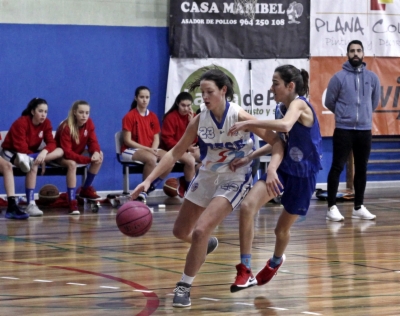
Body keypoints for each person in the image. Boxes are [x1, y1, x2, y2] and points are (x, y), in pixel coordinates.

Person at [131, 68, 283, 307]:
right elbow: (174, 153)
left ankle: (184, 285)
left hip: (235, 177)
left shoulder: (240, 116)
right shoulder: (200, 119)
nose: (205, 97)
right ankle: (205, 245)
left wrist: (266, 166)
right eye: (202, 93)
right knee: (181, 232)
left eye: (209, 91)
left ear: (224, 91)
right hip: (207, 174)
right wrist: (149, 181)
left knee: (201, 230)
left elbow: (277, 142)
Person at [227, 65, 322, 293]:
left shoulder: (299, 104)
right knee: (248, 206)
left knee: (280, 230)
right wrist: (251, 156)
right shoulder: (281, 108)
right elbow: (280, 141)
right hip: (283, 169)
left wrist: (250, 123)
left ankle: (276, 260)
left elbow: (286, 125)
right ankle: (245, 269)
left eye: (275, 83)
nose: (271, 88)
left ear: (290, 86)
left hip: (303, 175)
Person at [325, 40, 380, 222]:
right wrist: (344, 115)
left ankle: (358, 206)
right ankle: (331, 207)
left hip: (364, 130)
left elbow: (374, 101)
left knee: (362, 168)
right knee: (337, 167)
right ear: (347, 54)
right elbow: (329, 102)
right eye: (352, 51)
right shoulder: (338, 78)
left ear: (363, 54)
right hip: (343, 129)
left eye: (358, 50)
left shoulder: (372, 78)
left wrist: (363, 116)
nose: (355, 53)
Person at [0, 97, 64, 216]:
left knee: (58, 151)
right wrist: (39, 158)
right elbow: (22, 148)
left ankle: (30, 204)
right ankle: (26, 203)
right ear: (33, 111)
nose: (43, 114)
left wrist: (44, 153)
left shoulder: (46, 123)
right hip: (11, 152)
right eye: (40, 111)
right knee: (31, 163)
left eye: (45, 112)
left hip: (31, 154)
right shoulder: (21, 123)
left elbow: (52, 143)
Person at [121, 86, 172, 201]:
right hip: (131, 149)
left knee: (171, 158)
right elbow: (127, 141)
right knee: (151, 159)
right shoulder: (129, 116)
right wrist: (149, 150)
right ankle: (144, 191)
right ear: (136, 98)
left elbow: (156, 138)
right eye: (142, 97)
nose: (144, 100)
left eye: (147, 97)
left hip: (149, 149)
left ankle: (151, 186)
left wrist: (153, 149)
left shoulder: (153, 116)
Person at [55, 100, 103, 215]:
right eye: (81, 112)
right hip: (60, 155)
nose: (84, 116)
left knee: (100, 154)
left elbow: (93, 141)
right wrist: (87, 160)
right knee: (71, 164)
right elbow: (67, 153)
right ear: (75, 112)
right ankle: (72, 201)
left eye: (87, 113)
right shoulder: (66, 127)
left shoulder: (89, 123)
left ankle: (85, 189)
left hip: (76, 154)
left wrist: (95, 152)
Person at [161, 92, 200, 197]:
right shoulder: (170, 117)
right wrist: (186, 148)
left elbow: (196, 139)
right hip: (172, 149)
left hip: (187, 149)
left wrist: (192, 123)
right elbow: (167, 140)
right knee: (190, 161)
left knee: (206, 159)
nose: (186, 108)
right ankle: (190, 194)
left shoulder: (193, 117)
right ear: (178, 103)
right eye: (183, 105)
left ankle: (185, 181)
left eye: (188, 106)